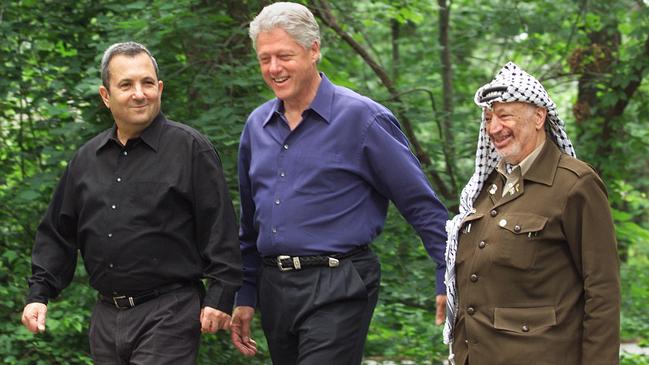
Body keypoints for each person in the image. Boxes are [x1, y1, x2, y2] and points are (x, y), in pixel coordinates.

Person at [229, 2, 448, 364]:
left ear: (314, 50)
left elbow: (421, 205)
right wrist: (246, 293)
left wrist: (446, 273)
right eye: (264, 58)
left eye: (284, 56)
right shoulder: (257, 126)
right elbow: (249, 224)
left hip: (339, 282)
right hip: (276, 287)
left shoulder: (363, 119)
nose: (273, 68)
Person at [21, 41, 242, 365]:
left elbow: (219, 226)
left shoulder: (190, 149)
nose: (139, 93)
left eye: (147, 83)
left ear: (160, 88)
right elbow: (58, 232)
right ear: (105, 96)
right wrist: (39, 294)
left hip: (170, 311)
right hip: (106, 318)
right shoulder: (86, 160)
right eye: (126, 84)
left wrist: (221, 294)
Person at [443, 62, 620, 365]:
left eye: (504, 115)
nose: (493, 128)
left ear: (539, 117)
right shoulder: (486, 188)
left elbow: (602, 292)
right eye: (488, 118)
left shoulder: (575, 185)